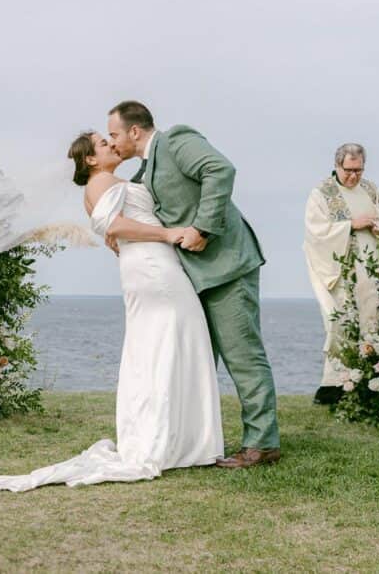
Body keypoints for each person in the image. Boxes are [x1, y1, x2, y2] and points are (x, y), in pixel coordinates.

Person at [0, 132, 223, 491]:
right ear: (91, 159)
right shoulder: (102, 181)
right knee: (169, 344)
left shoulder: (109, 182)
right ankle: (170, 440)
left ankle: (176, 438)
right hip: (153, 268)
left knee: (162, 345)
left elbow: (116, 227)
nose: (111, 143)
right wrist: (169, 233)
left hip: (146, 265)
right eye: (102, 142)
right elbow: (115, 226)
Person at [107, 100, 280, 468]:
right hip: (192, 277)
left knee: (243, 355)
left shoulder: (177, 141)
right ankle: (196, 442)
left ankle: (263, 444)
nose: (113, 142)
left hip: (228, 265)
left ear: (134, 131)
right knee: (198, 361)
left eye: (114, 134)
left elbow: (221, 170)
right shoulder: (144, 170)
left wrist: (203, 228)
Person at [303, 143, 379, 404]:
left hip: (370, 268)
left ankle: (368, 382)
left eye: (359, 170)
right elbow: (316, 232)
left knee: (370, 323)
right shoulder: (322, 194)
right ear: (338, 166)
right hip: (338, 270)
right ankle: (332, 384)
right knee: (338, 323)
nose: (354, 176)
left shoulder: (370, 190)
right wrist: (351, 225)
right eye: (348, 170)